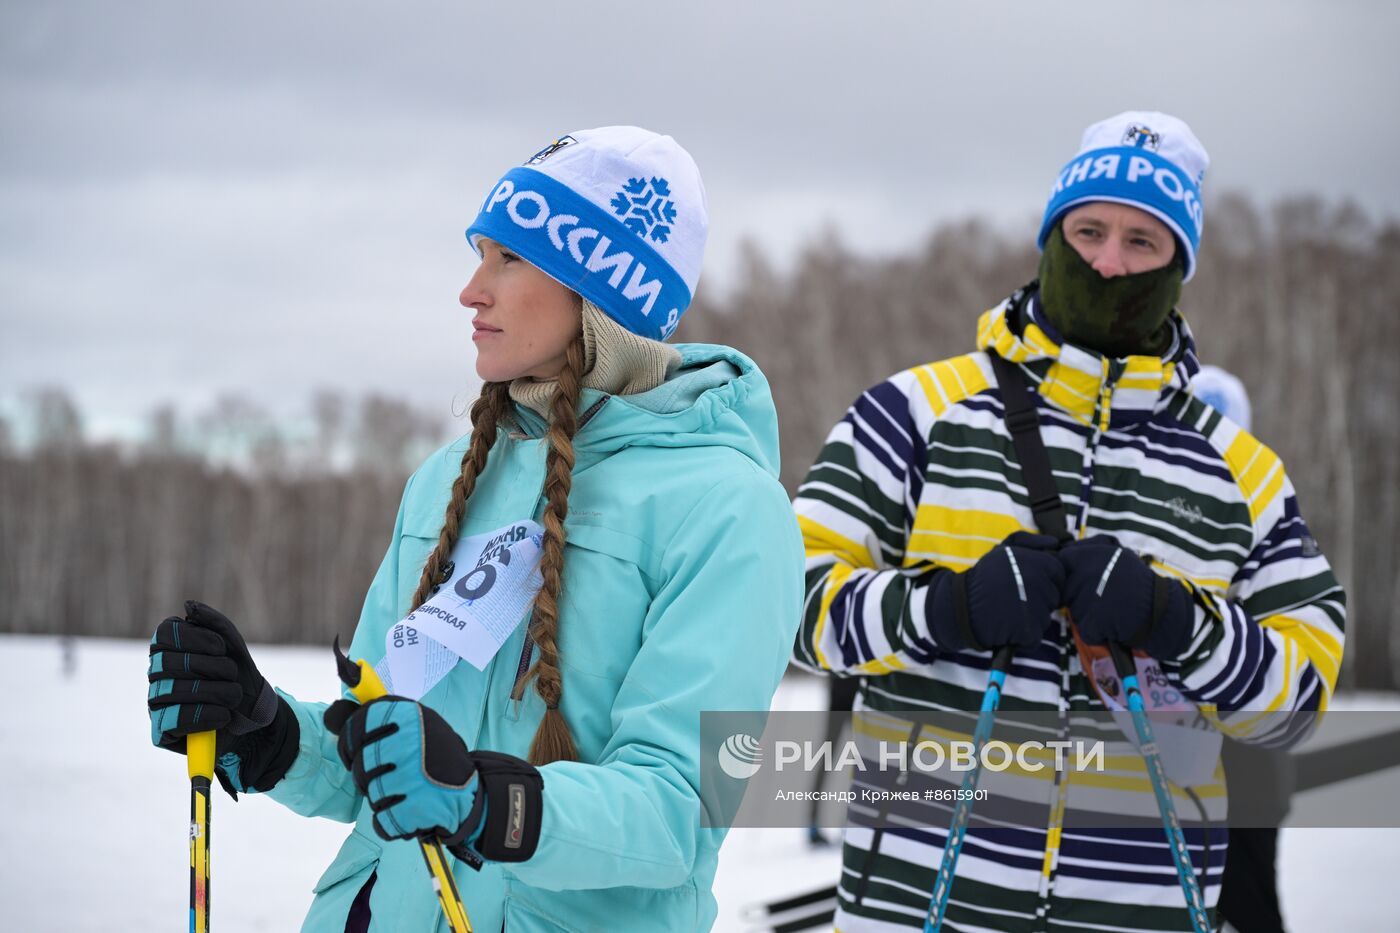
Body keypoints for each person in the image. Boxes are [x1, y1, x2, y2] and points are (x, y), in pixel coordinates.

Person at [147, 126, 805, 932]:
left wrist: (489, 802)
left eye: (508, 258)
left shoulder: (729, 508)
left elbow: (677, 810)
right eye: (479, 255)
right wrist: (270, 730)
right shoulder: (450, 480)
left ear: (600, 289)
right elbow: (381, 753)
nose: (470, 290)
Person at [792, 112, 1345, 931]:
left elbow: (1299, 700)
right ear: (1050, 236)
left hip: (1138, 911)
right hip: (916, 905)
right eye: (1087, 230)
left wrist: (1178, 621)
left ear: (1179, 266)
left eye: (1142, 243)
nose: (1108, 262)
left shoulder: (1243, 473)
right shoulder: (914, 413)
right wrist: (945, 608)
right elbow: (784, 604)